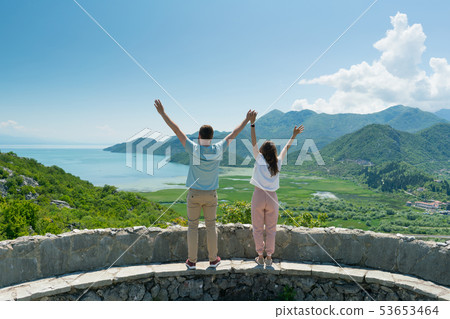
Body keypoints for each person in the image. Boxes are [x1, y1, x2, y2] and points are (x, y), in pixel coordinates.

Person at [154, 99, 255, 270]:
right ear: (212, 137)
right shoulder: (218, 149)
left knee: (192, 227)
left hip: (194, 194)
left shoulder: (193, 148)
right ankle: (213, 259)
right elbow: (233, 134)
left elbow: (176, 129)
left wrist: (163, 113)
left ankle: (192, 261)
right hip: (211, 195)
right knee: (211, 226)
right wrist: (247, 120)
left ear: (199, 136)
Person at [248, 111, 304, 266]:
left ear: (262, 152)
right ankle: (270, 257)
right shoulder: (278, 162)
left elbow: (253, 142)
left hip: (258, 196)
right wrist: (294, 135)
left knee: (258, 228)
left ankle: (260, 256)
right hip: (272, 198)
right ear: (274, 153)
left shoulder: (259, 159)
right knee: (271, 229)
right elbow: (287, 147)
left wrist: (252, 124)